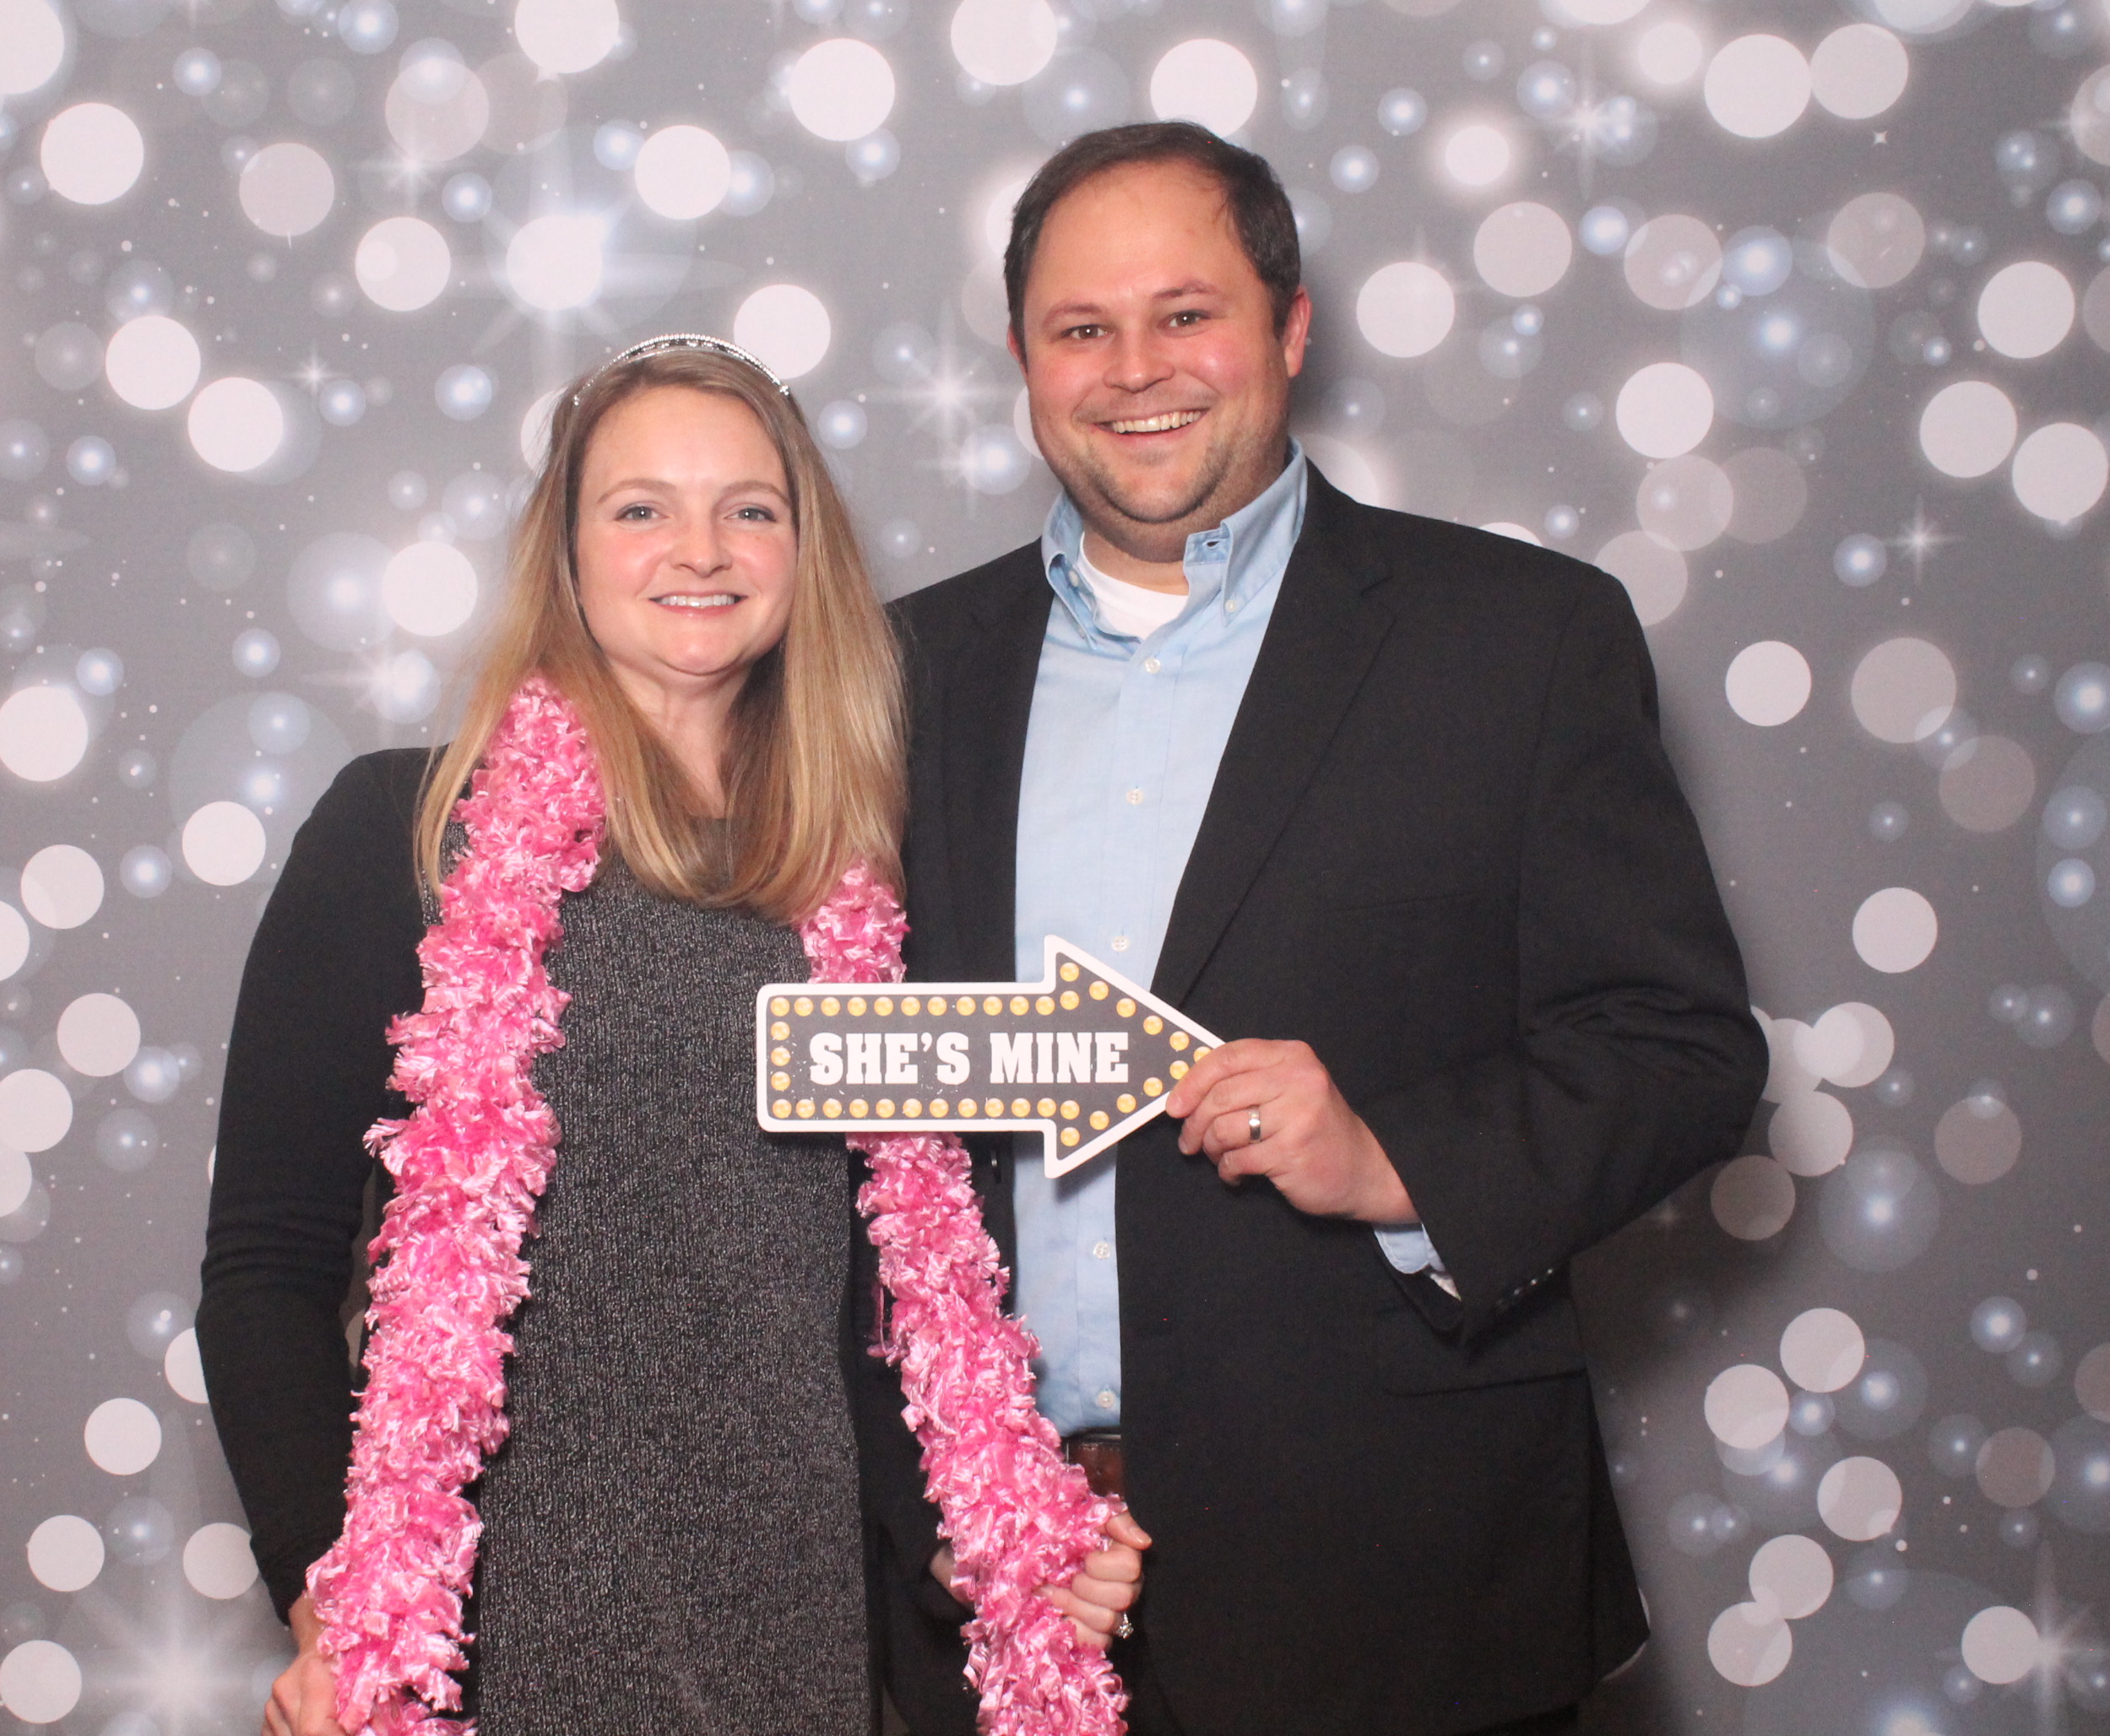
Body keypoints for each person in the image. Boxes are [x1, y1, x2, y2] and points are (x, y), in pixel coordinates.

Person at [860, 123, 1767, 1736]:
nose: (1137, 370)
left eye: (1186, 313)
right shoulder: (894, 676)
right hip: (989, 1585)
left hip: (1398, 1586)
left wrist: (1401, 1162)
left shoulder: (1522, 640)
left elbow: (1683, 1050)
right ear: (1023, 361)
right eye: (1083, 330)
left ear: (1288, 327)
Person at [198, 337, 1137, 1736]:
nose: (699, 548)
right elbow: (267, 1268)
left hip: (797, 1628)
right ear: (566, 550)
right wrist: (337, 1604)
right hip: (491, 1637)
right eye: (640, 507)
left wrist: (997, 1535)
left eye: (750, 507)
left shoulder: (872, 873)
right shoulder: (408, 834)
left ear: (801, 549)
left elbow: (900, 1284)